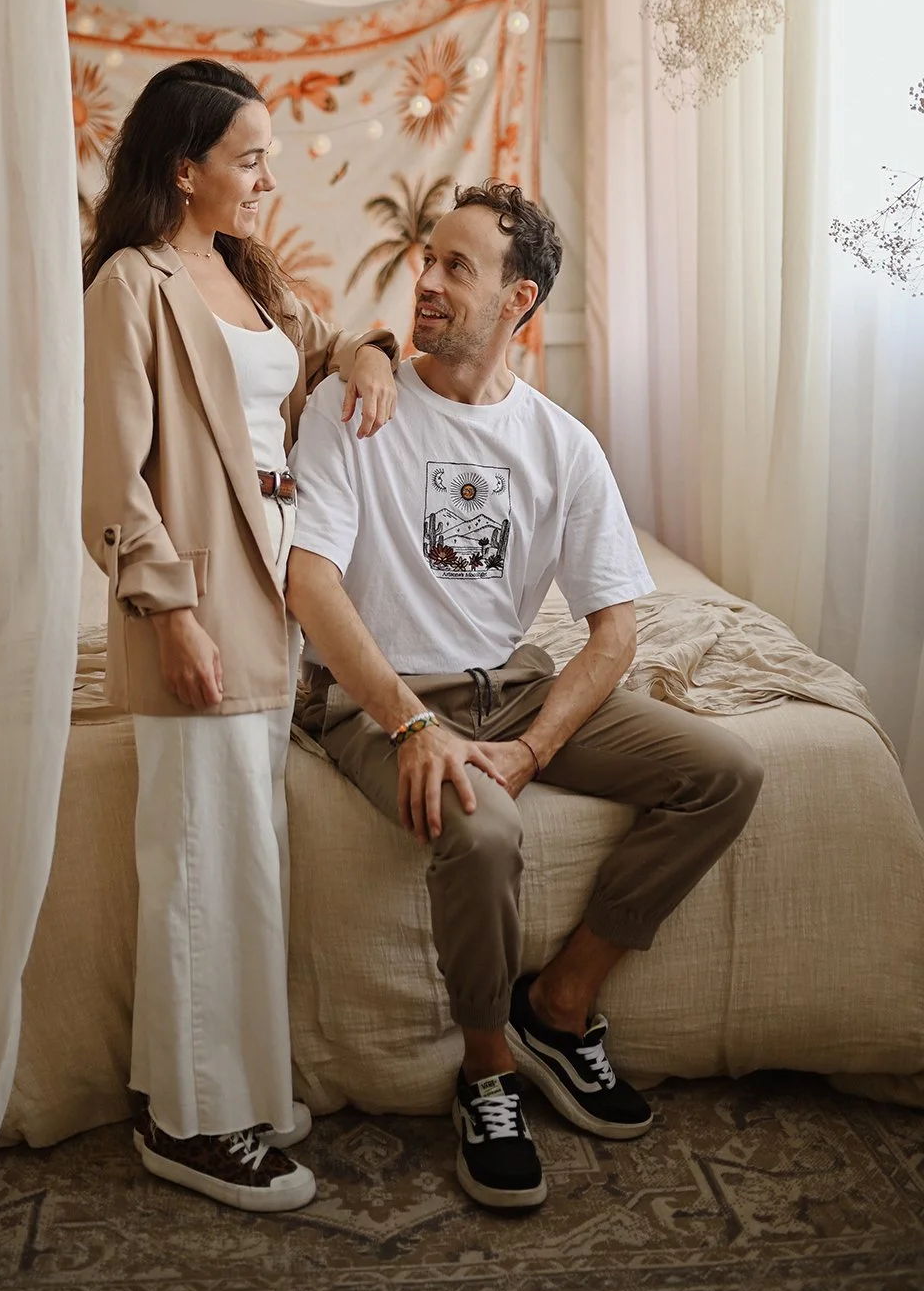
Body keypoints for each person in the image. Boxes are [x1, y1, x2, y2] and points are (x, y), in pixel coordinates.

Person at [284, 181, 764, 1212]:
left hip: (509, 688)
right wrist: (412, 722)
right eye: (429, 258)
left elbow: (615, 633)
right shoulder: (354, 404)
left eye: (457, 266)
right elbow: (308, 583)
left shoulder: (562, 444)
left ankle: (561, 1003)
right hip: (380, 696)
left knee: (724, 772)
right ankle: (488, 1070)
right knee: (487, 829)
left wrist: (533, 747)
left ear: (520, 300)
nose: (428, 280)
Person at [82, 59, 398, 1214]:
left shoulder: (245, 272)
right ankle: (191, 1123)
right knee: (198, 862)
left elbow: (324, 349)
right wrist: (168, 610)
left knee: (243, 857)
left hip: (271, 602)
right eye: (250, 159)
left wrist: (369, 353)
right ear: (186, 168)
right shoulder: (134, 283)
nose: (268, 178)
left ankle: (228, 1085)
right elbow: (109, 478)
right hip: (199, 602)